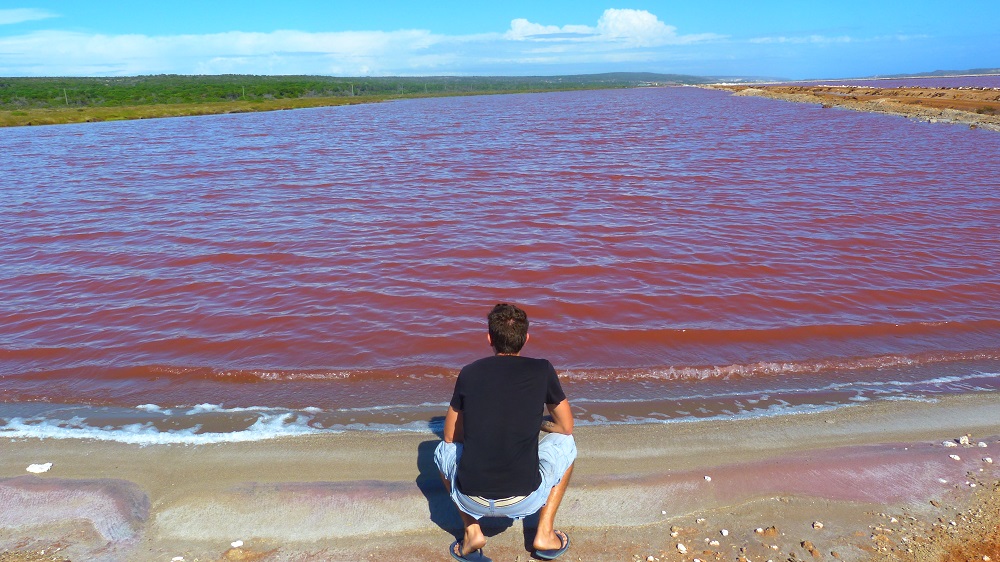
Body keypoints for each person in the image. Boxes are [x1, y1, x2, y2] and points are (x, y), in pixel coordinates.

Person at [434, 303, 577, 562]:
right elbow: (566, 427)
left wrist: (483, 428)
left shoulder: (469, 372)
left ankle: (471, 529)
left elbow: (449, 435)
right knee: (566, 444)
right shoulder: (542, 369)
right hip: (525, 499)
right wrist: (538, 423)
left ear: (490, 338)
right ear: (526, 339)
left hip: (471, 498)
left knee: (441, 450)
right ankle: (544, 533)